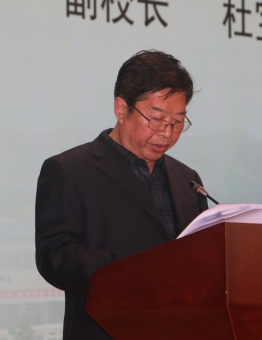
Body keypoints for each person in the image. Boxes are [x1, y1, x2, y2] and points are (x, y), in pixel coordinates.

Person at [35, 50, 208, 339]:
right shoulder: (70, 171)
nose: (167, 133)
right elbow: (55, 258)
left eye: (177, 122)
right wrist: (137, 271)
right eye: (156, 118)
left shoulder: (187, 180)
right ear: (121, 108)